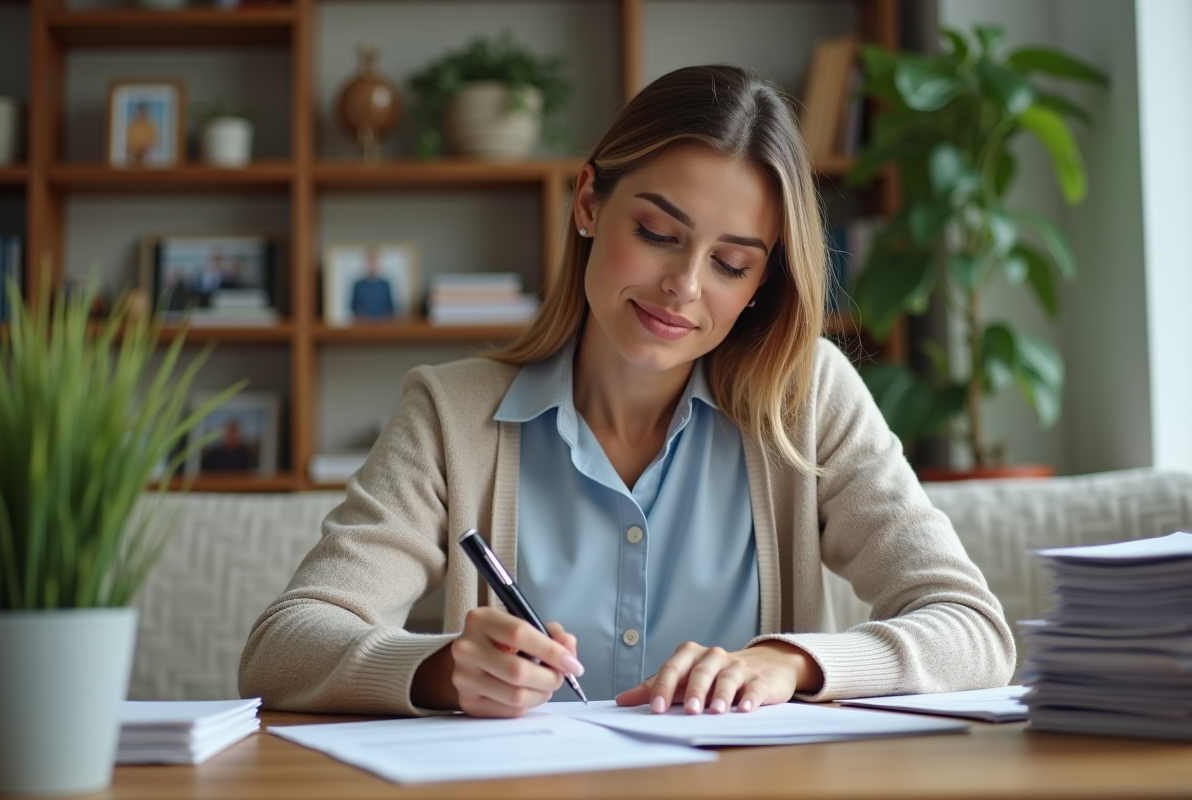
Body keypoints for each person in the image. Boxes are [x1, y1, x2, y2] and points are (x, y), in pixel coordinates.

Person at [239, 65, 1014, 719]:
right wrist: (442, 669)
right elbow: (283, 646)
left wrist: (793, 663)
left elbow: (974, 632)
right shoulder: (451, 414)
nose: (683, 287)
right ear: (588, 203)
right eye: (656, 233)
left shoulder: (807, 398)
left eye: (732, 264)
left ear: (759, 286)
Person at [350, 246, 396, 321]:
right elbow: (354, 307)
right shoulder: (358, 285)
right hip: (363, 327)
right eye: (370, 260)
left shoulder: (385, 285)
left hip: (382, 326)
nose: (372, 264)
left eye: (374, 260)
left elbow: (390, 308)